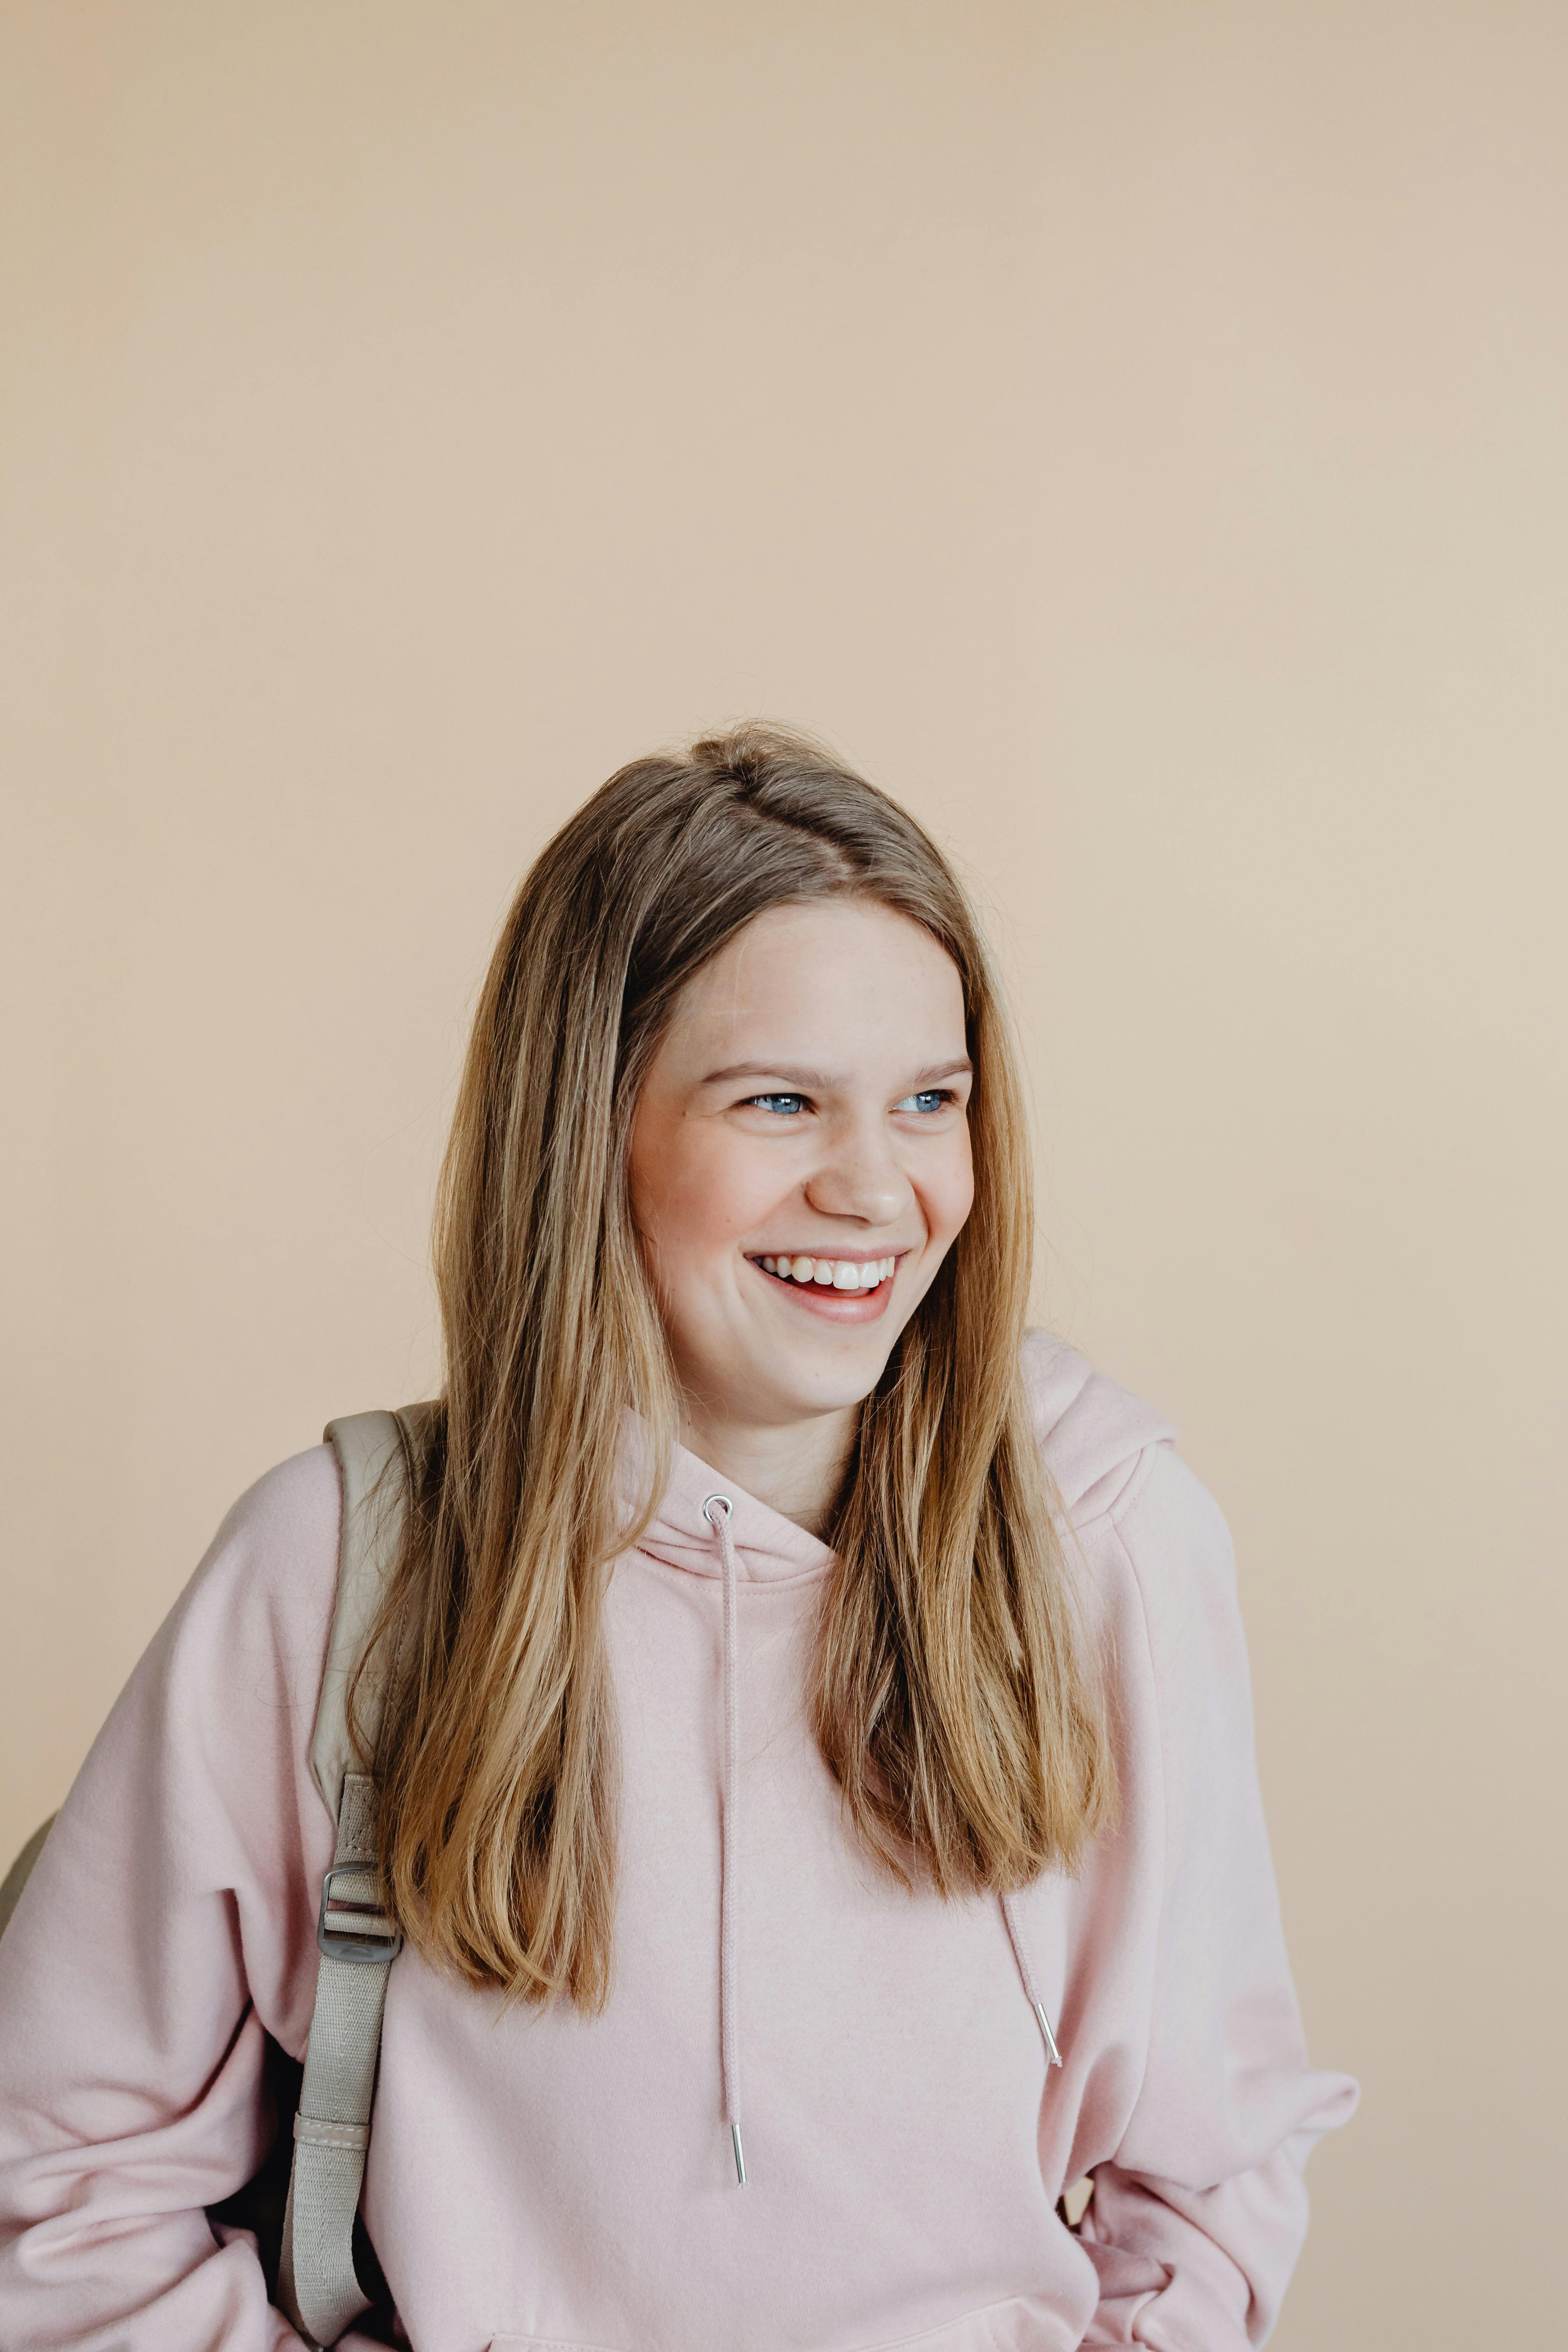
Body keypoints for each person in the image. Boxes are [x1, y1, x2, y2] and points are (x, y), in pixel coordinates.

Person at [0, 725, 1354, 2350]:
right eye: (779, 1102)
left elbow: (1208, 2183)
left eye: (929, 1102)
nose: (877, 1189)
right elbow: (59, 2177)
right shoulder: (342, 1570)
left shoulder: (1112, 1542)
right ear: (592, 1134)